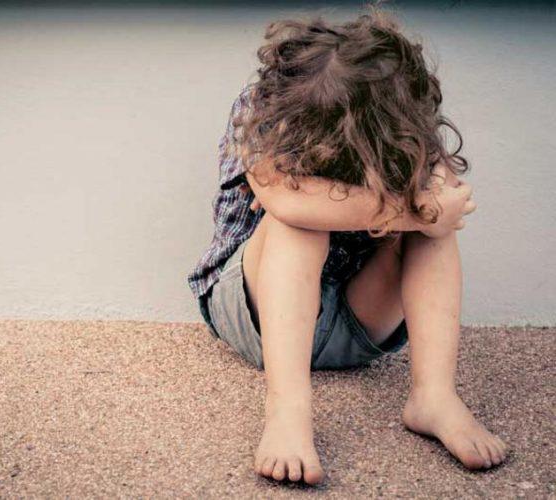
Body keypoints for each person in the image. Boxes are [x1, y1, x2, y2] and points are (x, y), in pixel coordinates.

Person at [187, 7, 508, 485]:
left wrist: (429, 213)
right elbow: (285, 199)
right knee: (300, 222)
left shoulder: (403, 119)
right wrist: (415, 210)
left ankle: (434, 396)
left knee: (433, 229)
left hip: (358, 322)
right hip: (255, 316)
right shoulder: (263, 106)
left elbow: (446, 200)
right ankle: (288, 410)